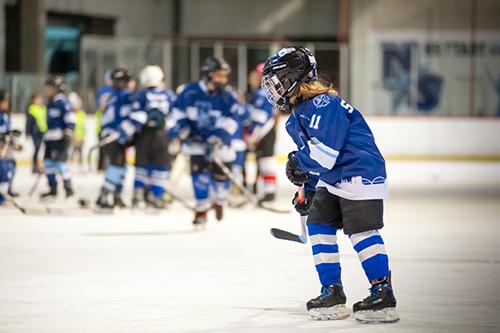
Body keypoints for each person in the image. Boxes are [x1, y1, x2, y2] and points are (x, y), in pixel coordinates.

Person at [261, 47, 399, 323]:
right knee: (318, 224)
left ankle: (382, 292)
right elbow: (316, 163)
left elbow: (323, 156)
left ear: (293, 77)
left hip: (360, 172)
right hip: (334, 177)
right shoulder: (298, 116)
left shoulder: (324, 104)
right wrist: (308, 190)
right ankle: (332, 291)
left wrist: (299, 163)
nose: (273, 89)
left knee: (361, 231)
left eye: (276, 81)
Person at [169, 57, 243, 226]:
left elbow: (234, 118)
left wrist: (218, 137)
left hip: (219, 144)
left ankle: (219, 200)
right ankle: (201, 210)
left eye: (225, 76)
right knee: (199, 176)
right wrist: (185, 130)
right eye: (219, 75)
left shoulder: (227, 96)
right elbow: (177, 112)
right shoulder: (189, 91)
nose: (223, 79)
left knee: (220, 180)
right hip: (195, 142)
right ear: (208, 75)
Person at [118, 65, 176, 209]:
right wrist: (175, 135)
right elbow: (174, 117)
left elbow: (136, 116)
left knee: (142, 166)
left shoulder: (141, 95)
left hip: (144, 136)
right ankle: (157, 196)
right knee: (161, 167)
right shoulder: (168, 95)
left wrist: (123, 133)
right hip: (162, 136)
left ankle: (138, 195)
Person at [95, 68, 133, 209]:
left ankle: (117, 195)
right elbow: (121, 117)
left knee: (122, 167)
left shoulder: (113, 95)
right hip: (114, 135)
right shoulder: (123, 96)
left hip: (113, 135)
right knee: (117, 167)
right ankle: (104, 195)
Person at [246, 63, 278, 203]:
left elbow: (261, 118)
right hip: (266, 132)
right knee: (264, 162)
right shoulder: (265, 92)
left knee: (266, 162)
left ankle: (269, 192)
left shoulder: (263, 93)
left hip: (265, 133)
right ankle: (268, 191)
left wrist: (253, 137)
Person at [40, 77, 75, 199]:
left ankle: (68, 188)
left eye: (49, 88)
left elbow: (70, 117)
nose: (47, 90)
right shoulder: (50, 103)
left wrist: (69, 130)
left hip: (60, 139)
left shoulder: (63, 102)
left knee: (61, 164)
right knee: (48, 164)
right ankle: (52, 188)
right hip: (50, 139)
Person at [0, 90, 22, 205]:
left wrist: (12, 137)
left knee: (10, 167)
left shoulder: (6, 115)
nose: (6, 104)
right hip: (2, 149)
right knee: (4, 169)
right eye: (4, 101)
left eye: (7, 101)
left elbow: (6, 133)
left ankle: (5, 193)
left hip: (4, 149)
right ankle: (2, 196)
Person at [95, 70, 114, 171]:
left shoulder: (115, 90)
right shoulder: (103, 90)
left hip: (112, 125)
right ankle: (101, 166)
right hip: (102, 125)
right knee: (103, 147)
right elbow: (100, 106)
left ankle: (110, 166)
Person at [25, 93, 47, 173]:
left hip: (43, 131)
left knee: (42, 149)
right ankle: (35, 167)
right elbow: (28, 122)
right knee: (37, 148)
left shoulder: (43, 108)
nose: (38, 101)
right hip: (35, 132)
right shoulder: (31, 109)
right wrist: (27, 132)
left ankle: (40, 165)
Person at [68, 92, 86, 166]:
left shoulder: (82, 114)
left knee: (80, 152)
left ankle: (80, 165)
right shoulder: (72, 114)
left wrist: (83, 136)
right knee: (73, 151)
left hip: (81, 137)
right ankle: (70, 164)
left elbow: (83, 126)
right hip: (74, 136)